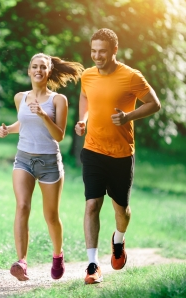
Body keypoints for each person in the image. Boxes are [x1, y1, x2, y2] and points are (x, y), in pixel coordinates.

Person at [74, 28, 161, 284]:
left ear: (114, 50)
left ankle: (119, 240)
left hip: (122, 154)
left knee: (121, 209)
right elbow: (84, 97)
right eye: (93, 51)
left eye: (102, 51)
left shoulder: (131, 77)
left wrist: (127, 117)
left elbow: (154, 104)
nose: (97, 56)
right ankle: (92, 265)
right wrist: (83, 119)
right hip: (93, 149)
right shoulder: (87, 75)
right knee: (92, 204)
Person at [0, 53, 84, 281]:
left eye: (42, 67)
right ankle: (22, 262)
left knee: (51, 216)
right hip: (23, 158)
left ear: (49, 71)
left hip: (49, 163)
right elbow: (24, 123)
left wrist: (44, 115)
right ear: (29, 71)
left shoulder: (58, 100)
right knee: (23, 206)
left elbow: (60, 135)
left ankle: (57, 255)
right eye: (34, 66)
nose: (38, 70)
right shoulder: (20, 97)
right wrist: (8, 130)